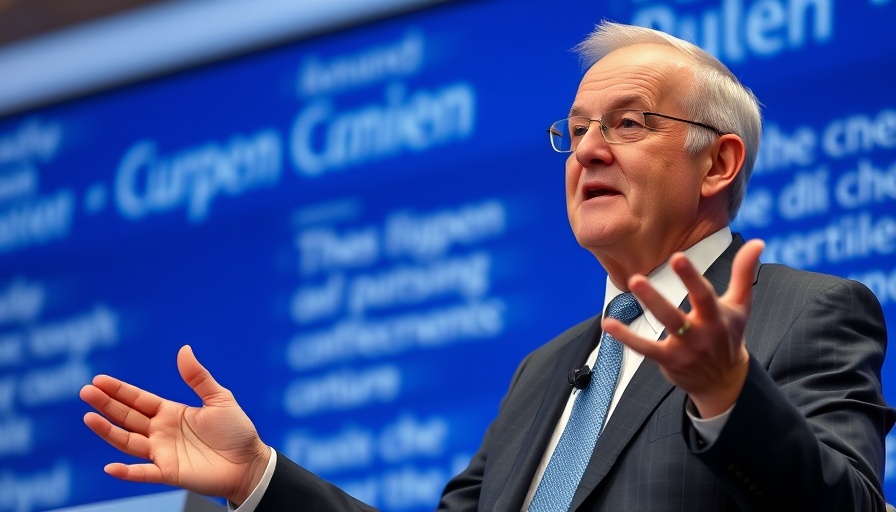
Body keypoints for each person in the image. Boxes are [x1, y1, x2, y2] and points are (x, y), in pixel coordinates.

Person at [80, 20, 895, 511]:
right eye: (574, 131)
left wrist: (727, 393)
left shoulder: (811, 313)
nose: (588, 151)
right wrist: (259, 477)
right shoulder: (544, 374)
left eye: (627, 122)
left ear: (718, 164)